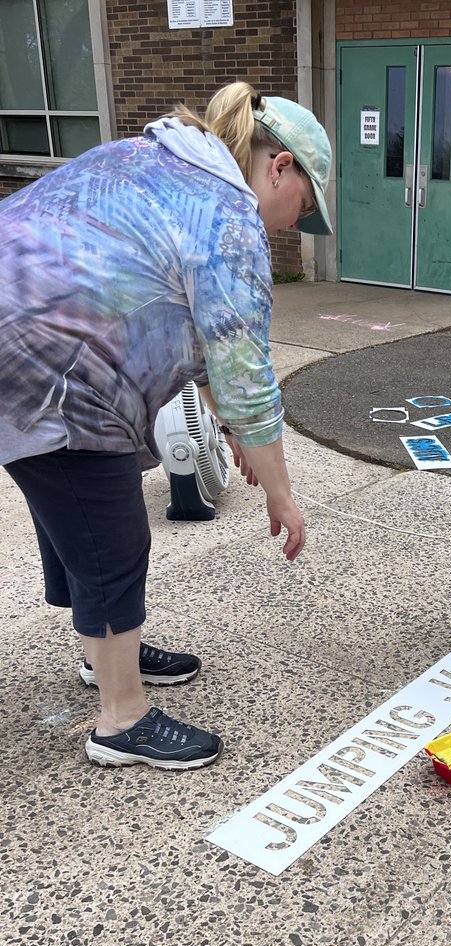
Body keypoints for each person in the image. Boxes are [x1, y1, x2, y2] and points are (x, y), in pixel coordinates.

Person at [0, 82, 332, 769]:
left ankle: (107, 653)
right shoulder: (226, 213)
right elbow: (245, 377)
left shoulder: (151, 156)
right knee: (109, 534)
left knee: (76, 512)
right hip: (51, 369)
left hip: (25, 349)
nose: (287, 225)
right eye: (300, 208)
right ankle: (121, 719)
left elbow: (212, 353)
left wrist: (238, 431)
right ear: (280, 167)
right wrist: (281, 495)